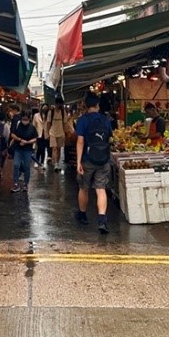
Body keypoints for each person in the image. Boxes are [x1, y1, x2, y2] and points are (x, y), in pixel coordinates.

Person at [75, 93, 112, 234]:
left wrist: (78, 162)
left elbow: (80, 141)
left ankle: (83, 215)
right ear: (98, 105)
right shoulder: (105, 119)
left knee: (84, 188)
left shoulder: (82, 120)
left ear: (86, 106)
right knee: (100, 189)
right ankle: (102, 220)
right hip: (103, 160)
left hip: (87, 160)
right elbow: (108, 138)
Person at [9, 109, 38, 192]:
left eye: (26, 119)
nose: (24, 121)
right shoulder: (18, 125)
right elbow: (12, 134)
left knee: (26, 167)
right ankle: (16, 184)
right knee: (16, 165)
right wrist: (20, 139)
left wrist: (27, 142)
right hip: (17, 148)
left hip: (28, 150)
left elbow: (35, 139)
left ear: (30, 119)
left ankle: (25, 184)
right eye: (23, 119)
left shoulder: (32, 127)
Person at [47, 99, 69, 171]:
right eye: (59, 104)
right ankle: (55, 164)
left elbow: (65, 123)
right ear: (56, 104)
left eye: (61, 104)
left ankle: (57, 163)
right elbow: (48, 123)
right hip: (52, 132)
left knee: (59, 149)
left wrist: (66, 132)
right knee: (54, 148)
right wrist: (47, 133)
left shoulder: (63, 112)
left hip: (61, 132)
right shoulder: (51, 112)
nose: (60, 106)